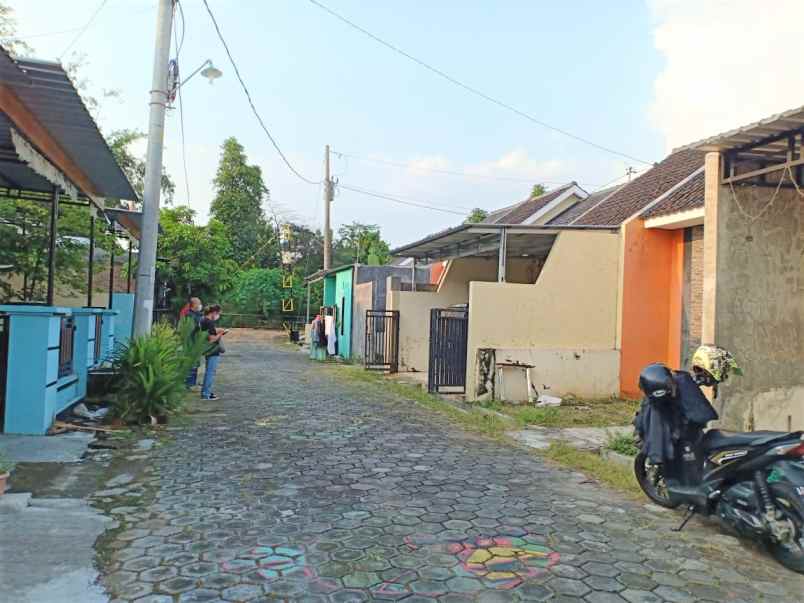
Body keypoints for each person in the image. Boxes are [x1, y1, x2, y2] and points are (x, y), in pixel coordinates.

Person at [198, 304, 227, 400]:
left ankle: (207, 392)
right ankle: (206, 394)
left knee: (209, 372)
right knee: (210, 372)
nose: (218, 316)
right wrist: (221, 333)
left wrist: (217, 331)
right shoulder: (209, 322)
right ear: (214, 312)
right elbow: (212, 339)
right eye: (218, 313)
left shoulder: (203, 320)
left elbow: (209, 332)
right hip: (212, 350)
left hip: (207, 349)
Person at [184, 297, 204, 389]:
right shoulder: (190, 315)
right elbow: (192, 329)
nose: (200, 305)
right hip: (191, 343)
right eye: (199, 303)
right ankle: (189, 383)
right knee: (191, 363)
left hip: (196, 342)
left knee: (196, 362)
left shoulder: (197, 314)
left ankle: (192, 382)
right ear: (194, 305)